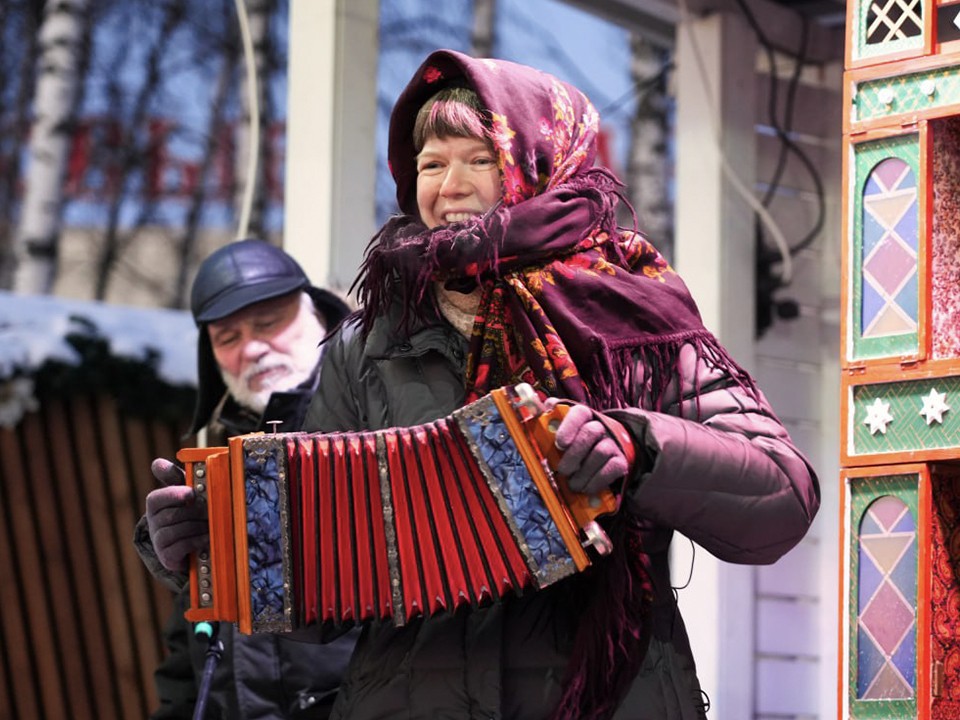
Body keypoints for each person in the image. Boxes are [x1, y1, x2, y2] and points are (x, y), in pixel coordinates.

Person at [301, 50, 821, 720]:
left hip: (608, 699)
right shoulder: (369, 341)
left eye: (480, 159)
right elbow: (321, 600)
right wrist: (219, 544)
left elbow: (781, 499)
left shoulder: (635, 317)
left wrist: (639, 449)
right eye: (431, 164)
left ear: (539, 162)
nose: (449, 186)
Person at [132, 238, 358, 719]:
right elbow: (188, 646)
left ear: (318, 315)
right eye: (227, 338)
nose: (252, 348)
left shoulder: (378, 418)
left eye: (268, 322)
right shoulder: (207, 450)